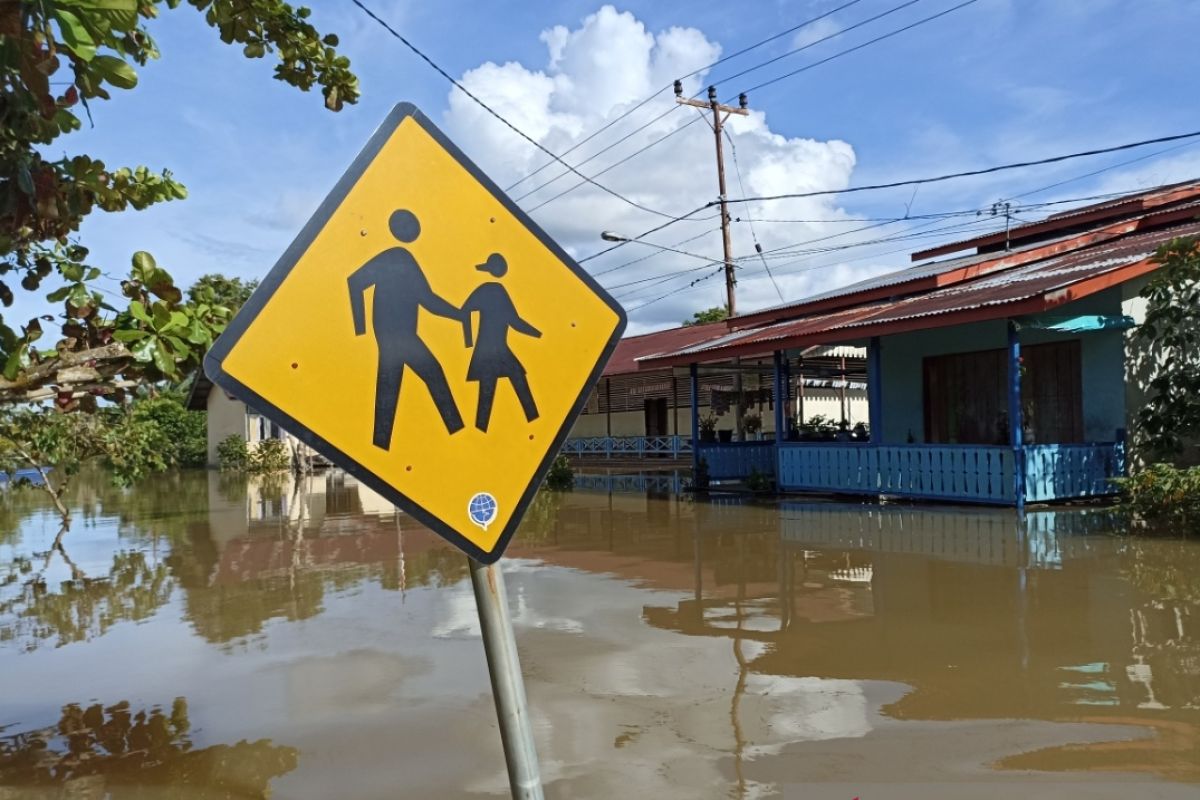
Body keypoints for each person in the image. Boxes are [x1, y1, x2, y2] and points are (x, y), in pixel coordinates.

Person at [348, 209, 464, 450]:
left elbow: (428, 300)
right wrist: (359, 328)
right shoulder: (394, 256)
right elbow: (355, 281)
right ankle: (458, 432)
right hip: (396, 337)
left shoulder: (406, 260)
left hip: (403, 336)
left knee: (390, 390)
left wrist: (459, 315)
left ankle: (380, 445)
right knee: (431, 374)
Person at [461, 253, 541, 433]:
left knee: (515, 380)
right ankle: (481, 430)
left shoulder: (499, 291)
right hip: (487, 351)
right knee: (488, 392)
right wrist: (468, 340)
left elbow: (515, 321)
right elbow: (464, 311)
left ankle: (533, 420)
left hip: (499, 349)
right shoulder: (487, 290)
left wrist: (539, 335)